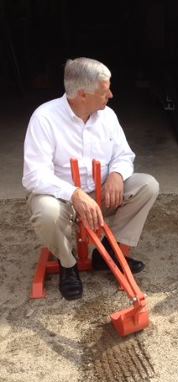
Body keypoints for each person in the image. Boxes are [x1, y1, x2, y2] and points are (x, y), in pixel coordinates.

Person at [23, 57, 159, 300]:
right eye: (105, 90)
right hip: (62, 200)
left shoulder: (107, 116)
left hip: (100, 195)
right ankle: (68, 264)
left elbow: (124, 154)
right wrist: (74, 194)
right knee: (46, 211)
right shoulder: (44, 118)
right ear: (82, 94)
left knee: (147, 185)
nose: (111, 95)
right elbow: (35, 175)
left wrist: (117, 174)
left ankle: (106, 252)